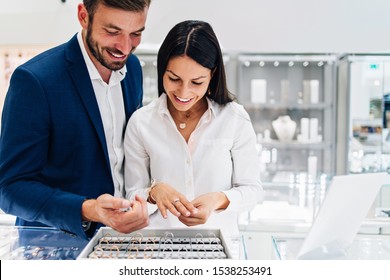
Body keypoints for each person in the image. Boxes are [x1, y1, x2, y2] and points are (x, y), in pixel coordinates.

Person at [0, 0, 152, 239]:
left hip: (119, 244)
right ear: (83, 16)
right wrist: (88, 210)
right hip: (54, 249)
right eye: (112, 32)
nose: (124, 47)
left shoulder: (132, 68)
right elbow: (10, 188)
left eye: (135, 34)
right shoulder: (35, 81)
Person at [123, 20, 263, 237]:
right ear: (162, 71)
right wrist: (153, 193)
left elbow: (253, 190)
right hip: (158, 248)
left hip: (219, 247)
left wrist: (218, 199)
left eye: (196, 82)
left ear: (212, 75)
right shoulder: (141, 123)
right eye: (174, 78)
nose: (183, 92)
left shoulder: (234, 119)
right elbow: (132, 194)